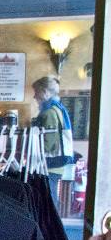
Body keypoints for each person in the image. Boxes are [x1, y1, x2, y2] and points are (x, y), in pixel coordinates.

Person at [32, 75, 74, 204]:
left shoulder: (49, 112)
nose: (34, 97)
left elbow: (47, 142)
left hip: (49, 164)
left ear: (44, 92)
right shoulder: (58, 108)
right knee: (51, 196)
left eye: (36, 92)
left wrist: (32, 153)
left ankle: (51, 223)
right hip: (57, 163)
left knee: (48, 199)